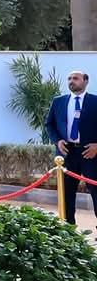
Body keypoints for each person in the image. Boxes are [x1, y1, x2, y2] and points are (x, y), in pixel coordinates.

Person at [46, 70, 97, 224]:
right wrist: (58, 141)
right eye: (69, 78)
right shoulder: (59, 101)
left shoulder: (95, 101)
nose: (71, 81)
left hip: (91, 153)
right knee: (66, 192)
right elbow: (50, 124)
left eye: (75, 78)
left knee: (95, 191)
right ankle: (68, 228)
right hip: (66, 153)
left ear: (85, 81)